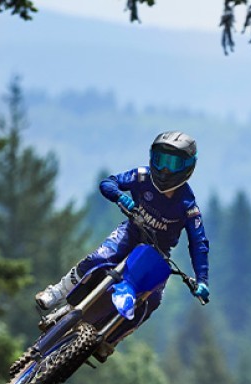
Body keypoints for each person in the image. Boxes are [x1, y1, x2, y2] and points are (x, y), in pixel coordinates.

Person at [35, 130, 210, 361]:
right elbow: (108, 183)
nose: (165, 169)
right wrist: (120, 196)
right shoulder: (141, 177)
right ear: (151, 158)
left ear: (187, 167)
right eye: (161, 160)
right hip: (129, 234)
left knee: (153, 300)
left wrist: (202, 280)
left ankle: (110, 339)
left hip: (156, 254)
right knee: (99, 258)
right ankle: (57, 292)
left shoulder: (188, 205)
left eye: (173, 164)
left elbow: (199, 243)